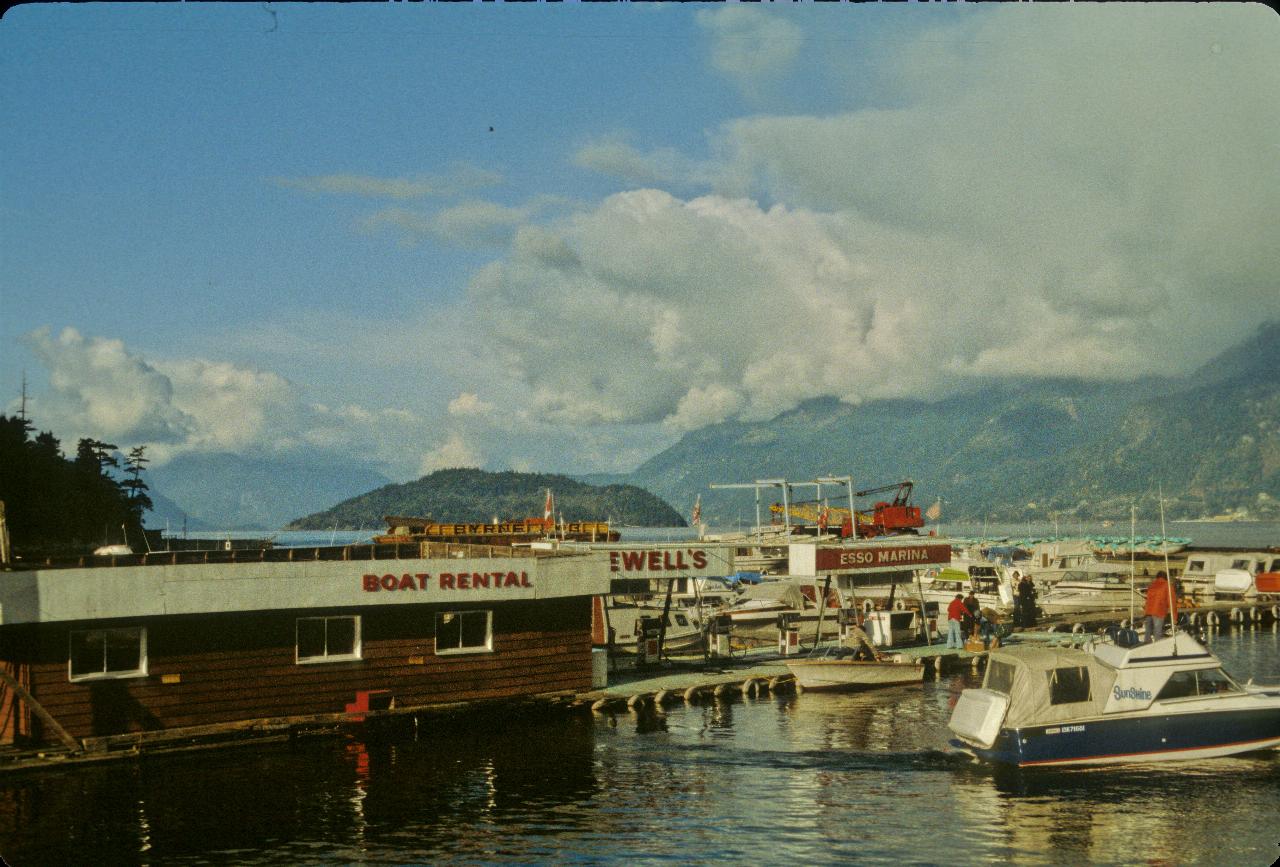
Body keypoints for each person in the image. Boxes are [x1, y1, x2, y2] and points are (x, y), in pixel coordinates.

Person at [1143, 570, 1177, 642]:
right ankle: (1158, 650)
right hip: (1158, 611)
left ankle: (1146, 647)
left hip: (1148, 611)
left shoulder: (1152, 584)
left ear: (1157, 577)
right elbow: (1172, 602)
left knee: (1147, 633)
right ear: (1166, 577)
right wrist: (1174, 617)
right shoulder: (1167, 585)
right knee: (1157, 633)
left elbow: (1147, 598)